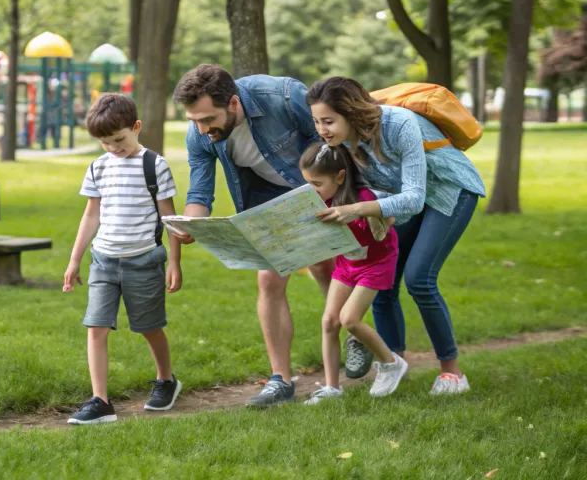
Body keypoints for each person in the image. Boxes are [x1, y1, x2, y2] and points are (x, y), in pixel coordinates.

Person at [172, 64, 350, 407]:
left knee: (325, 267)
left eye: (208, 119)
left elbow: (329, 141)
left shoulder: (282, 96)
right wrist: (190, 224)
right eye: (194, 120)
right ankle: (280, 380)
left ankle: (352, 329)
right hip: (267, 200)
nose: (201, 128)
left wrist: (326, 197)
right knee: (269, 281)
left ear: (234, 104)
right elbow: (200, 189)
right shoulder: (199, 134)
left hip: (315, 190)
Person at [307, 77, 486, 394]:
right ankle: (393, 364)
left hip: (448, 192)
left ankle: (452, 375)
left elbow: (416, 197)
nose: (322, 129)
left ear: (350, 113)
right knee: (384, 282)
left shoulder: (399, 123)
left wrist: (356, 210)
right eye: (317, 121)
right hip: (397, 204)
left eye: (328, 121)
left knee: (420, 279)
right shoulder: (343, 142)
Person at [63, 94, 184, 424]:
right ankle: (100, 400)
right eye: (105, 143)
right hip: (103, 261)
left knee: (149, 327)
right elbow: (91, 216)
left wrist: (175, 262)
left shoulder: (154, 165)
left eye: (119, 139)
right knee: (96, 327)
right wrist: (75, 260)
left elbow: (169, 219)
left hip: (143, 261)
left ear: (136, 127)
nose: (113, 148)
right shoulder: (99, 166)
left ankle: (166, 380)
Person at [298, 142, 408, 403]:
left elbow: (387, 221)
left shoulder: (364, 199)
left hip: (375, 263)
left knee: (349, 319)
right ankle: (331, 389)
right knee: (329, 321)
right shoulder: (320, 199)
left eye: (316, 183)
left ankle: (392, 363)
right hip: (346, 264)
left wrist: (359, 218)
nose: (311, 190)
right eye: (307, 183)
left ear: (339, 176)